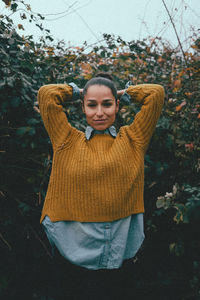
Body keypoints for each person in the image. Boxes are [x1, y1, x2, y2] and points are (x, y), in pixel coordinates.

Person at [38, 73, 164, 300]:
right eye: (91, 104)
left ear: (117, 105)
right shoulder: (66, 139)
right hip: (72, 243)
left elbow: (156, 93)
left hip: (118, 242)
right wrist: (78, 92)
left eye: (107, 104)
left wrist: (123, 94)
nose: (99, 113)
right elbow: (46, 94)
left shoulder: (133, 139)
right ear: (83, 107)